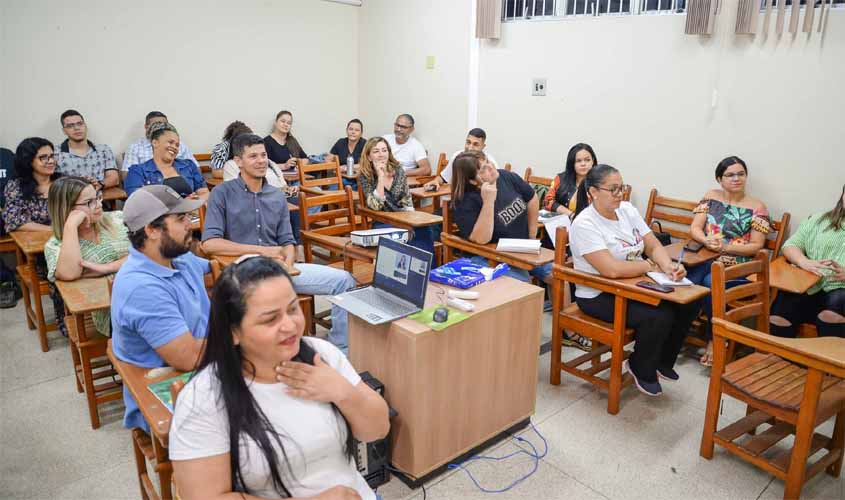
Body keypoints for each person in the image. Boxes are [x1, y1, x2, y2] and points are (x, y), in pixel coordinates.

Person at [169, 256, 389, 500]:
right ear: (233, 333)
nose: (290, 326)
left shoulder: (321, 355)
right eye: (270, 319)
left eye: (293, 309)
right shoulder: (204, 398)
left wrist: (343, 392)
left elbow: (378, 429)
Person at [201, 134, 356, 352]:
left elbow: (287, 241)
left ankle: (339, 352)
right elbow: (209, 244)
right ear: (238, 162)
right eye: (253, 156)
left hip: (279, 269)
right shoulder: (222, 193)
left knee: (345, 281)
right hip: (242, 272)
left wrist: (288, 265)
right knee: (268, 300)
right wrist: (263, 251)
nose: (261, 161)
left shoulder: (276, 195)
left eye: (263, 155)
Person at [569, 164, 699, 396]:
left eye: (622, 188)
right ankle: (640, 365)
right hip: (599, 293)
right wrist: (649, 266)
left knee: (688, 303)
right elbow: (611, 270)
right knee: (660, 315)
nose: (620, 194)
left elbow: (652, 245)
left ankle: (661, 361)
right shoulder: (584, 223)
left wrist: (668, 266)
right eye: (613, 189)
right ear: (593, 192)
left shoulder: (627, 210)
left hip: (634, 282)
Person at [111, 185, 208, 431]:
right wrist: (240, 335)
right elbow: (189, 358)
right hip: (168, 391)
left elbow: (216, 269)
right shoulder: (141, 287)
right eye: (181, 218)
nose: (189, 224)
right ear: (152, 230)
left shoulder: (177, 257)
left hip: (204, 367)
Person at [686, 156, 771, 366]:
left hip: (738, 265)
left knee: (710, 284)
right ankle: (675, 332)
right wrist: (706, 240)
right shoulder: (711, 197)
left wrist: (725, 247)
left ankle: (715, 339)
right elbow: (695, 228)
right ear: (719, 179)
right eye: (730, 175)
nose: (736, 179)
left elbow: (756, 246)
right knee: (689, 280)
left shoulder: (757, 206)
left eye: (741, 174)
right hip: (707, 256)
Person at [44, 176, 129, 336]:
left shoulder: (118, 218)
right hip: (112, 311)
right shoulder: (56, 245)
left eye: (98, 197)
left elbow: (151, 251)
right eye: (89, 202)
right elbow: (70, 273)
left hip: (145, 290)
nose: (99, 205)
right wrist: (70, 226)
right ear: (67, 208)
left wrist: (108, 268)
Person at [450, 150, 550, 284]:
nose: (491, 167)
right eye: (483, 169)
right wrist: (488, 201)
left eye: (488, 161)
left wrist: (532, 235)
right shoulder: (464, 201)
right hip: (488, 255)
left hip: (521, 248)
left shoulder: (506, 176)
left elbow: (532, 198)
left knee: (557, 277)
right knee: (524, 284)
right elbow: (481, 239)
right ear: (473, 181)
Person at [4, 138, 67, 334]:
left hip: (70, 240)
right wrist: (53, 230)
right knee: (61, 266)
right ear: (29, 161)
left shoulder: (63, 181)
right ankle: (66, 319)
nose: (50, 161)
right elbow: (15, 221)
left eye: (52, 156)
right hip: (42, 251)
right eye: (43, 158)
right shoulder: (16, 187)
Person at [769, 184, 845, 339]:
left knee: (833, 312)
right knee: (779, 315)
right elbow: (790, 246)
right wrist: (803, 262)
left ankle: (826, 356)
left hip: (840, 291)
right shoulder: (819, 220)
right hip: (808, 285)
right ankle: (782, 354)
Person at [358, 137, 434, 254]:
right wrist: (380, 176)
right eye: (376, 151)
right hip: (383, 221)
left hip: (403, 218)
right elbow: (376, 206)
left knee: (425, 230)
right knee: (399, 237)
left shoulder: (398, 170)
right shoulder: (365, 175)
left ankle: (424, 265)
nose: (381, 154)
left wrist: (409, 223)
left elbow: (407, 201)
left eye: (384, 150)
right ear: (369, 157)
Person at [125, 123, 209, 201]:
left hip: (191, 210)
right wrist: (181, 204)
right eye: (170, 142)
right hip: (158, 212)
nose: (174, 147)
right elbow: (137, 201)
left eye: (177, 145)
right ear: (155, 143)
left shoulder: (188, 165)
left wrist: (194, 202)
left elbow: (204, 193)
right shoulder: (137, 171)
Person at [54, 109, 119, 190]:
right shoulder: (55, 153)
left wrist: (99, 184)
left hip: (99, 195)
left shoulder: (103, 150)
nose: (76, 128)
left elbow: (114, 178)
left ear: (85, 126)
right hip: (70, 196)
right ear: (64, 131)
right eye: (70, 126)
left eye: (80, 124)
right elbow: (51, 183)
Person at [122, 111, 198, 172]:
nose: (161, 128)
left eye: (164, 124)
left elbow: (196, 170)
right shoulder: (135, 148)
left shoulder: (180, 145)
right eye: (156, 125)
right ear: (146, 127)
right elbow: (127, 176)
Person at [424, 128, 499, 190]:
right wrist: (436, 181)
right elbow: (443, 178)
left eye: (475, 144)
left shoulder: (489, 162)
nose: (470, 147)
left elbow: (496, 186)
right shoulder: (458, 157)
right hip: (457, 198)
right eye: (468, 142)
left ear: (483, 146)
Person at [543, 143, 597, 216]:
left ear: (593, 161)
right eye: (578, 161)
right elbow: (547, 202)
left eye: (587, 160)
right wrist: (570, 214)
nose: (583, 164)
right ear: (572, 163)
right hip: (562, 220)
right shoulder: (560, 178)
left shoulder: (600, 182)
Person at [0, 146, 20, 308]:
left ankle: (6, 281)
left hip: (10, 213)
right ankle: (5, 279)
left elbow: (20, 186)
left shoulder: (6, 156)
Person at [329, 118, 366, 188]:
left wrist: (347, 167)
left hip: (358, 181)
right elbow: (329, 159)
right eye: (351, 129)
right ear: (346, 130)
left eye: (357, 130)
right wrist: (336, 167)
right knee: (333, 190)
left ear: (361, 133)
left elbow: (367, 164)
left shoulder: (365, 144)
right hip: (340, 178)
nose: (353, 132)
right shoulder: (340, 142)